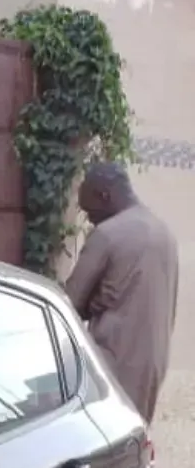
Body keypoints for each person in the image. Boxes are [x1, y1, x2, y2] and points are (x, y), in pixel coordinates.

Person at [64, 161, 179, 424]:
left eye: (90, 212)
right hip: (153, 365)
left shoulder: (106, 235)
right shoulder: (165, 233)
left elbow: (70, 305)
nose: (89, 220)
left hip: (111, 365)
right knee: (134, 441)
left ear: (105, 196)